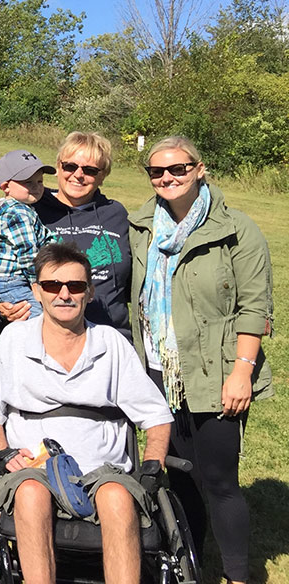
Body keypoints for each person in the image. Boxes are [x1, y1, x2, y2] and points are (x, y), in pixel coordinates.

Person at [0, 242, 174, 584]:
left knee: (116, 496)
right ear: (37, 291)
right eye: (53, 286)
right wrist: (3, 452)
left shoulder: (111, 344)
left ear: (90, 292)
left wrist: (153, 464)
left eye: (75, 286)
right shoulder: (14, 341)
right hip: (35, 468)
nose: (64, 294)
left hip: (103, 470)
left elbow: (156, 416)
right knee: (31, 494)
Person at [128, 136, 273, 584]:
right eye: (157, 172)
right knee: (178, 479)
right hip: (156, 371)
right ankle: (189, 567)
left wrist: (242, 374)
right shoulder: (140, 227)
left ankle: (234, 576)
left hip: (216, 373)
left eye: (178, 169)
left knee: (219, 480)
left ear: (199, 169)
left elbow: (254, 307)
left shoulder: (237, 229)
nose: (167, 178)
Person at [0, 132, 131, 346]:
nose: (78, 175)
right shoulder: (28, 208)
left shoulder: (116, 214)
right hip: (43, 343)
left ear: (103, 175)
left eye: (90, 170)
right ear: (58, 167)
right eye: (70, 166)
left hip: (107, 339)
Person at [0, 150, 57, 320]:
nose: (36, 187)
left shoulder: (22, 208)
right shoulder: (18, 214)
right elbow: (28, 254)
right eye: (28, 182)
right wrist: (36, 285)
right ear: (5, 186)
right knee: (39, 317)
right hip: (7, 280)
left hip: (6, 279)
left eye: (40, 181)